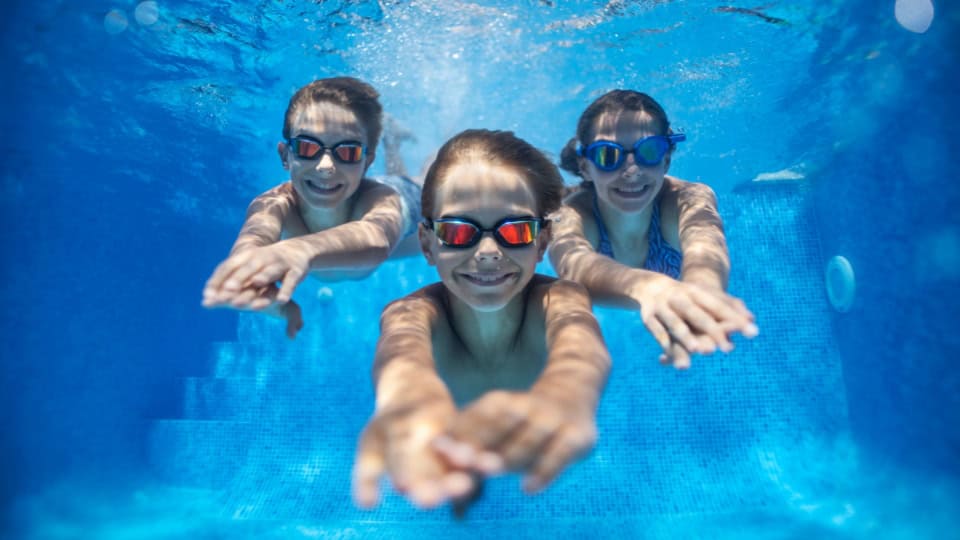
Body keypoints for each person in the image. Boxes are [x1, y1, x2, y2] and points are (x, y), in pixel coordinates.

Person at [352, 129, 611, 512]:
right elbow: (401, 354)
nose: (488, 253)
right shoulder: (412, 313)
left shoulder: (558, 298)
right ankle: (393, 143)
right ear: (427, 245)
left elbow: (581, 345)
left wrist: (569, 394)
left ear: (542, 243)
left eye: (516, 230)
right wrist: (406, 399)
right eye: (458, 233)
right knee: (413, 189)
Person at [550, 90, 758, 368]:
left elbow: (705, 244)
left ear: (667, 160)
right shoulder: (571, 212)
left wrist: (702, 293)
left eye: (649, 151)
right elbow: (573, 266)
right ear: (586, 167)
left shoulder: (689, 199)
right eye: (607, 155)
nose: (632, 171)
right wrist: (648, 287)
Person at [202, 77, 423, 338]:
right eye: (308, 147)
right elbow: (251, 247)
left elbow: (376, 239)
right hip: (353, 252)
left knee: (434, 179)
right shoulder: (274, 204)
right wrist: (253, 282)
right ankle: (392, 140)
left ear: (366, 162)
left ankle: (396, 140)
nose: (326, 166)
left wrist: (299, 249)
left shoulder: (379, 199)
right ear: (285, 156)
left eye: (348, 152)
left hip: (409, 209)